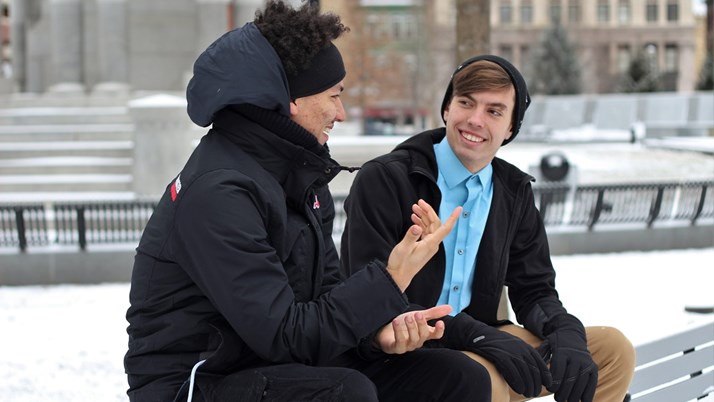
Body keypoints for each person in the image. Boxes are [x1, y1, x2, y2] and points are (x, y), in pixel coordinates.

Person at [124, 2, 491, 402]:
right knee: (346, 393)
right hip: (196, 383)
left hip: (271, 366)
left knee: (456, 376)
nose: (341, 112)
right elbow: (286, 334)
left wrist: (377, 333)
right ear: (291, 100)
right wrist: (391, 279)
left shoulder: (298, 177)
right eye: (333, 96)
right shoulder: (219, 193)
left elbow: (323, 297)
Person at [340, 54, 637, 402]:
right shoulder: (388, 179)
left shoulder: (512, 191)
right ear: (447, 109)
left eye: (494, 111)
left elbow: (534, 288)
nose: (475, 120)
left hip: (482, 339)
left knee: (612, 351)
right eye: (466, 103)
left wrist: (565, 330)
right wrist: (478, 336)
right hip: (404, 346)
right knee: (484, 378)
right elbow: (367, 295)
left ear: (511, 127)